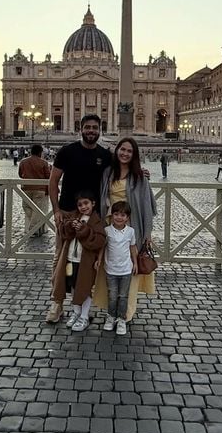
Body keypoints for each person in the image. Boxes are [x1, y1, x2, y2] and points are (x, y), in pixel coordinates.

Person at [94, 136, 157, 323]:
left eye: (129, 151)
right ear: (117, 150)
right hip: (109, 226)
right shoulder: (107, 173)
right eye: (122, 149)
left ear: (134, 155)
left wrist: (147, 234)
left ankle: (125, 313)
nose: (125, 153)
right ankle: (111, 309)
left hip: (132, 226)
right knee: (110, 268)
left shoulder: (139, 176)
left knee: (130, 270)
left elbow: (146, 205)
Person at [47, 191, 106, 331]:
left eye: (86, 203)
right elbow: (63, 232)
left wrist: (85, 231)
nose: (83, 207)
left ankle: (84, 316)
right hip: (70, 259)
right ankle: (76, 312)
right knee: (73, 286)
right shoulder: (74, 216)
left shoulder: (96, 220)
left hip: (84, 262)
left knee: (84, 288)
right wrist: (69, 226)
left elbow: (99, 241)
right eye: (80, 204)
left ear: (93, 203)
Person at [96, 201, 138, 336]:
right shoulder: (107, 231)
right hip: (111, 270)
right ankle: (111, 316)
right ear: (112, 215)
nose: (119, 217)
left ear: (128, 218)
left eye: (123, 215)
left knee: (123, 296)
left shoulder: (131, 231)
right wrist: (99, 259)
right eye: (116, 214)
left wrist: (135, 263)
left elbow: (132, 248)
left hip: (126, 270)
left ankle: (121, 319)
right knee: (112, 296)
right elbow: (102, 247)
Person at [18, 144, 51, 237]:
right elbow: (48, 176)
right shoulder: (44, 163)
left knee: (26, 206)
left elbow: (20, 174)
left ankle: (33, 227)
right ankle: (33, 229)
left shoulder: (23, 162)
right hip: (39, 189)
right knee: (37, 210)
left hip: (26, 188)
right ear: (40, 152)